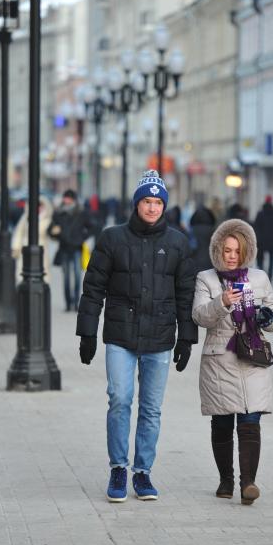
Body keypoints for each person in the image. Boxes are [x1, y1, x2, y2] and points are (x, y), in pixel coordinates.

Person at [76, 170, 198, 502]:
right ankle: (118, 468)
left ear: (164, 206)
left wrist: (187, 338)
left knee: (151, 408)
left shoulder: (177, 242)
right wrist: (87, 333)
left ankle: (142, 473)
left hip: (159, 337)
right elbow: (93, 288)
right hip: (120, 336)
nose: (152, 207)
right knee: (119, 400)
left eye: (158, 202)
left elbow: (187, 293)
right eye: (147, 201)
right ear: (137, 203)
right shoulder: (112, 239)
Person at [192, 219, 273, 505]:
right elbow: (199, 316)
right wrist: (222, 302)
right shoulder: (206, 279)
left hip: (252, 355)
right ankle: (226, 480)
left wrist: (267, 317)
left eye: (238, 250)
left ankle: (248, 483)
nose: (232, 256)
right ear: (218, 250)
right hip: (220, 359)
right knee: (222, 422)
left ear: (246, 252)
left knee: (250, 419)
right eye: (227, 250)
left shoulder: (259, 278)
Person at [48, 189, 92, 311]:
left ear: (73, 199)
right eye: (65, 198)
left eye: (68, 198)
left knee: (78, 276)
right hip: (64, 249)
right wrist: (57, 235)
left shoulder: (82, 212)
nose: (65, 200)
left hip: (77, 248)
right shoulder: (58, 213)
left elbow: (92, 227)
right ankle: (68, 303)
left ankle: (76, 303)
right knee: (66, 277)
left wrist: (82, 238)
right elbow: (51, 230)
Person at [11, 195, 53, 283]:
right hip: (25, 247)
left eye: (40, 205)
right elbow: (18, 233)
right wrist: (15, 247)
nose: (38, 208)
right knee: (22, 271)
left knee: (42, 272)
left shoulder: (48, 219)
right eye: (37, 205)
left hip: (42, 249)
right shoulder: (25, 217)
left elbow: (52, 235)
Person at [253, 195, 273, 282]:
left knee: (260, 259)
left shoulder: (260, 214)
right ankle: (270, 277)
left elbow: (255, 227)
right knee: (272, 260)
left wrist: (255, 239)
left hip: (261, 241)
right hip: (272, 241)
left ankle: (261, 274)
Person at [189, 205, 216, 273]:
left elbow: (191, 247)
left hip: (195, 263)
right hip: (210, 263)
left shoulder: (193, 230)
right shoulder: (213, 230)